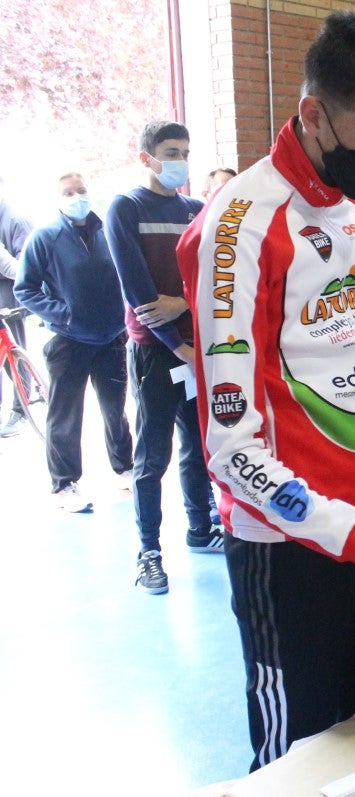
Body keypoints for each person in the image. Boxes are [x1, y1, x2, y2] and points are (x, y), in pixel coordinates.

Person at [177, 11, 355, 771]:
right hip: (289, 542)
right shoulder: (237, 229)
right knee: (297, 760)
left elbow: (351, 365)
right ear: (313, 113)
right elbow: (231, 450)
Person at [107, 120, 224, 595]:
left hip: (196, 351)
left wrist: (184, 304)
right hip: (158, 352)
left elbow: (213, 279)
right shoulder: (125, 208)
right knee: (152, 456)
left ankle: (200, 529)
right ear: (147, 157)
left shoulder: (196, 209)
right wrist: (181, 347)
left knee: (198, 448)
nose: (180, 161)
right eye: (171, 152)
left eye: (185, 152)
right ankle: (149, 553)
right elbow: (138, 292)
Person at [14, 172, 133, 512]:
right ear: (58, 199)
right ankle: (64, 484)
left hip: (110, 336)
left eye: (81, 190)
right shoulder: (45, 237)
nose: (77, 197)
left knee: (115, 408)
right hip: (69, 340)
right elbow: (26, 289)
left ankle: (124, 466)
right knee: (65, 415)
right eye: (69, 192)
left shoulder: (105, 230)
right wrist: (63, 314)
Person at [0, 175, 34, 438]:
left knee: (15, 353)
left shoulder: (14, 219)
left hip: (10, 299)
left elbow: (26, 266)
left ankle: (21, 409)